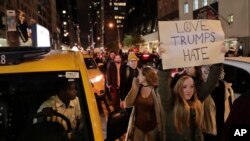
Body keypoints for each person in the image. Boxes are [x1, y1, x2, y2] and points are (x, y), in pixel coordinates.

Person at [124, 67, 165, 141]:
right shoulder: (138, 88)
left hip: (152, 129)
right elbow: (128, 103)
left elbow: (161, 111)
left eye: (139, 75)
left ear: (145, 77)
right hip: (138, 128)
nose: (137, 77)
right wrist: (134, 88)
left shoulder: (155, 90)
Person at [201, 66, 235, 141]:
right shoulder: (202, 90)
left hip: (225, 131)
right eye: (202, 73)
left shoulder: (228, 88)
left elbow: (233, 109)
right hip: (209, 134)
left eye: (206, 72)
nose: (203, 75)